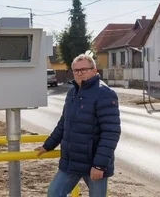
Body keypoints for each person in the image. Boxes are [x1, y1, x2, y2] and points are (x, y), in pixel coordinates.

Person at [35, 53, 121, 197]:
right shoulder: (72, 93)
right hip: (71, 161)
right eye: (76, 70)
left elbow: (111, 133)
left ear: (94, 71)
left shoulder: (104, 94)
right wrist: (48, 145)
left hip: (94, 162)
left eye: (84, 69)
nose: (79, 73)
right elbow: (64, 124)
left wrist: (99, 165)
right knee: (54, 193)